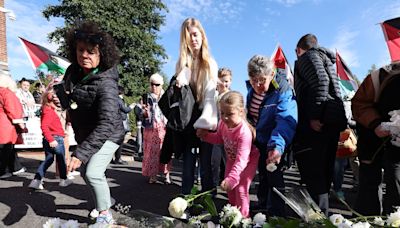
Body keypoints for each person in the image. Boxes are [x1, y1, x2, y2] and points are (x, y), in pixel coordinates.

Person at [62, 21, 124, 224]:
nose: (84, 55)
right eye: (80, 50)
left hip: (110, 132)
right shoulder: (73, 71)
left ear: (101, 54)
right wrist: (58, 97)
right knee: (86, 173)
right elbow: (68, 96)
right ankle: (104, 202)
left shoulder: (106, 83)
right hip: (87, 133)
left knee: (92, 172)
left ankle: (106, 215)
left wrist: (81, 152)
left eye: (91, 51)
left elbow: (107, 122)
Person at [293, 34, 345, 215]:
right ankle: (322, 214)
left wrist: (314, 116)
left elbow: (320, 82)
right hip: (332, 120)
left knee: (314, 170)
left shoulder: (307, 57)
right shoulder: (326, 60)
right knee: (324, 170)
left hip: (318, 124)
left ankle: (318, 216)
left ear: (298, 50)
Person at [246, 54, 297, 216]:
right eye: (254, 81)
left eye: (262, 80)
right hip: (260, 141)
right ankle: (262, 204)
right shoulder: (251, 93)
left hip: (276, 142)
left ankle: (277, 213)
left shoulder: (283, 90)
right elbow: (251, 117)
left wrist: (276, 146)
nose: (258, 85)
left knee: (274, 176)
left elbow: (285, 120)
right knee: (263, 175)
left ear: (272, 75)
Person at [174, 18, 219, 194]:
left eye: (195, 34)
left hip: (206, 118)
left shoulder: (210, 63)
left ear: (202, 36)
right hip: (187, 121)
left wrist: (205, 123)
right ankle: (185, 202)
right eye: (188, 36)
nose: (192, 39)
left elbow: (209, 96)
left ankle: (207, 208)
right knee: (188, 166)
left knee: (206, 167)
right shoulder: (181, 63)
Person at [197, 91, 259, 217]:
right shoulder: (223, 124)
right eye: (222, 113)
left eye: (230, 114)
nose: (225, 117)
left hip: (247, 162)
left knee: (241, 190)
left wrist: (232, 178)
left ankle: (243, 220)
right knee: (230, 191)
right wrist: (206, 136)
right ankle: (232, 215)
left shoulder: (244, 133)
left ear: (241, 112)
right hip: (232, 160)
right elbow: (219, 139)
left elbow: (242, 159)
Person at [352, 61, 400, 215]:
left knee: (396, 187)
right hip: (371, 139)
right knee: (369, 187)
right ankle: (366, 220)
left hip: (397, 149)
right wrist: (376, 124)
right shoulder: (379, 76)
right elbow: (359, 104)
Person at [28, 87, 72, 190]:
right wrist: (51, 139)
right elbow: (44, 126)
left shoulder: (47, 110)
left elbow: (51, 125)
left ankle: (36, 180)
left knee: (49, 159)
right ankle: (63, 180)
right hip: (54, 139)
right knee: (61, 160)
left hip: (52, 138)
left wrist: (61, 132)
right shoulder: (48, 111)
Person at [139, 73, 172, 184]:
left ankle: (167, 174)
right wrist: (144, 111)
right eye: (152, 84)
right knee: (151, 153)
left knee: (165, 151)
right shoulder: (146, 97)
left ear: (161, 85)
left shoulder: (166, 96)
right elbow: (142, 115)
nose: (154, 87)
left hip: (164, 126)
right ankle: (153, 175)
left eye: (157, 84)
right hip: (150, 127)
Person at [0, 73, 26, 179]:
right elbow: (13, 108)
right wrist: (20, 123)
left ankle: (15, 167)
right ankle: (1, 171)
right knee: (5, 148)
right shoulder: (6, 92)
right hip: (5, 124)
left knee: (9, 149)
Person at [211, 67, 232, 186]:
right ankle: (213, 187)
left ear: (230, 81)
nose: (224, 84)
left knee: (229, 162)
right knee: (215, 162)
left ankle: (229, 187)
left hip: (229, 134)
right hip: (216, 133)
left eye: (226, 81)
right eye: (221, 81)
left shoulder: (231, 96)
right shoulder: (214, 96)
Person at [111, 85, 133, 165]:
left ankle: (112, 158)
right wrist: (131, 106)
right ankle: (118, 159)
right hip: (120, 122)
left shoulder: (113, 99)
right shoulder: (119, 100)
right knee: (119, 141)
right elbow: (125, 110)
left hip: (115, 122)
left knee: (114, 141)